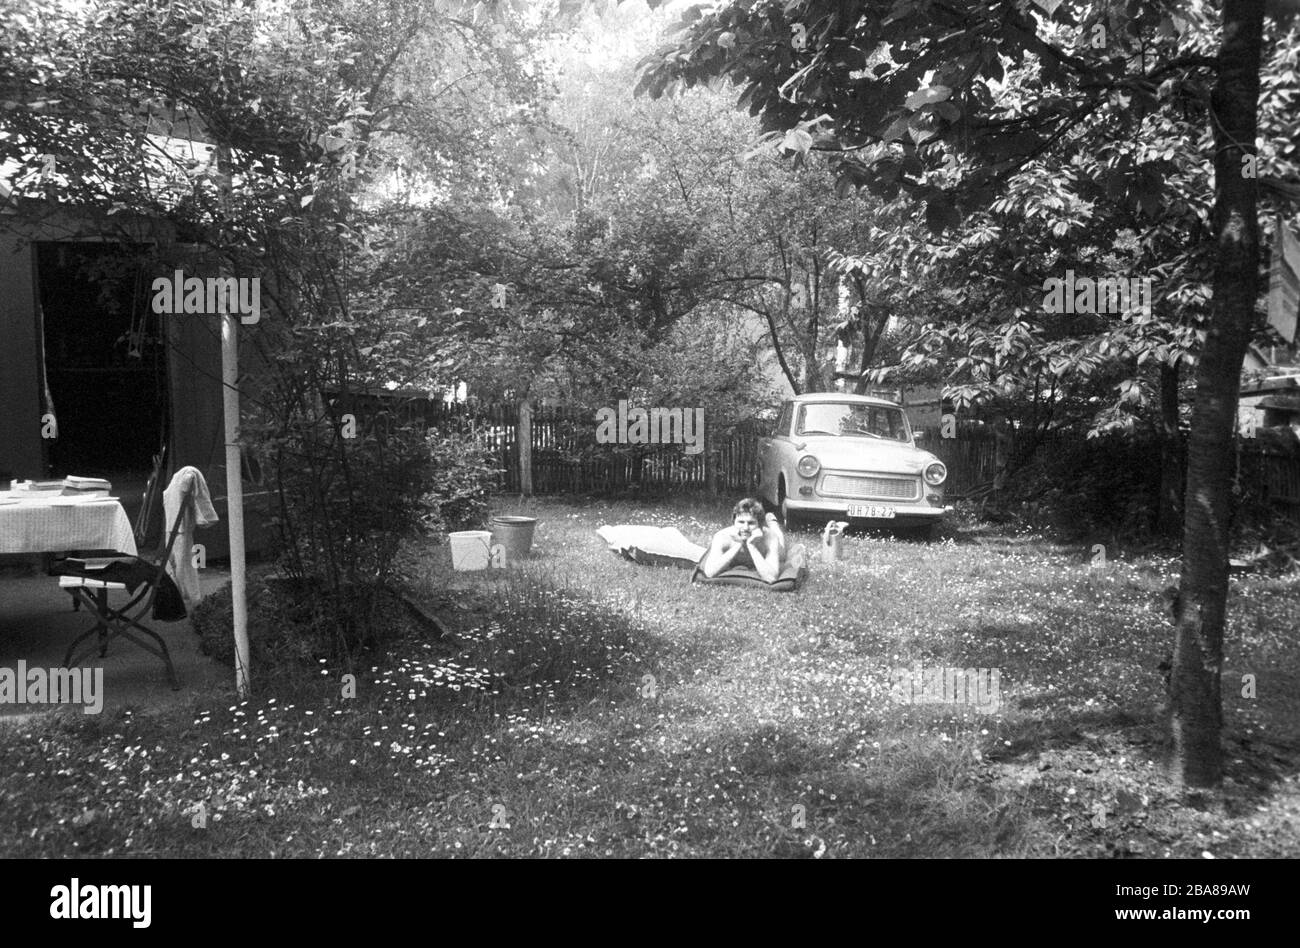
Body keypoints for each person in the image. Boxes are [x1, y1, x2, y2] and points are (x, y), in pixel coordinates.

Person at [702, 497, 787, 583]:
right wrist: (739, 544)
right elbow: (709, 573)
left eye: (751, 523)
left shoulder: (769, 538)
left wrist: (752, 546)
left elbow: (771, 578)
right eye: (741, 522)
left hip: (770, 536)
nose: (745, 528)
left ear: (760, 525)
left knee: (782, 553)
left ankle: (773, 523)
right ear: (734, 522)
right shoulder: (722, 536)